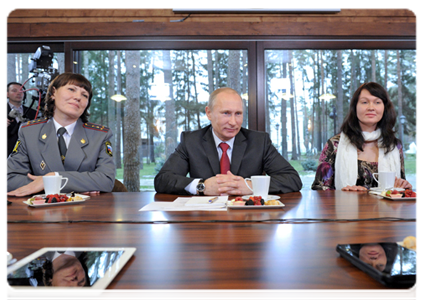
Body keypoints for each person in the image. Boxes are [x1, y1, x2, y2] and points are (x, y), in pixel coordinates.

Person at [154, 87, 302, 195]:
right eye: (226, 113)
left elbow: (292, 179)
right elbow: (162, 180)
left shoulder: (259, 142)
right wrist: (202, 186)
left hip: (247, 220)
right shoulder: (191, 141)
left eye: (238, 114)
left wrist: (250, 186)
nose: (233, 122)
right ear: (209, 113)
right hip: (205, 222)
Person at [5, 72, 115, 196]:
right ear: (53, 93)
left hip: (86, 212)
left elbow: (106, 180)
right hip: (41, 212)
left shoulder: (100, 135)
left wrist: (53, 178)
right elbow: (8, 179)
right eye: (71, 89)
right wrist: (77, 184)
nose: (78, 97)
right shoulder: (29, 132)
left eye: (84, 95)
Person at [311, 82, 412, 191]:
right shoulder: (334, 145)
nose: (371, 107)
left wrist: (405, 188)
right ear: (355, 107)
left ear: (384, 108)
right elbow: (319, 190)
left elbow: (399, 188)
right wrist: (345, 193)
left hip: (387, 208)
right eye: (364, 102)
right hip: (346, 207)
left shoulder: (394, 145)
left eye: (377, 102)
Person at [5, 82, 38, 160]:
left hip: (29, 155)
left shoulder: (33, 112)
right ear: (7, 94)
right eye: (14, 90)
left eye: (21, 91)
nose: (19, 93)